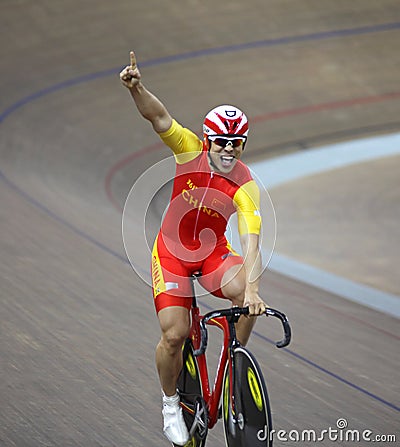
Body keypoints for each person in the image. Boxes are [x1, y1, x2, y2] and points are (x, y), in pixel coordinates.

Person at [120, 51, 267, 446]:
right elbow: (158, 116)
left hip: (212, 252)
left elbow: (251, 238)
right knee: (175, 335)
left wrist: (251, 290)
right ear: (207, 140)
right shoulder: (188, 149)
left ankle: (233, 364)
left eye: (237, 144)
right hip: (171, 254)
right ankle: (170, 404)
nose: (229, 150)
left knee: (247, 294)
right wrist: (138, 88)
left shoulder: (246, 183)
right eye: (222, 142)